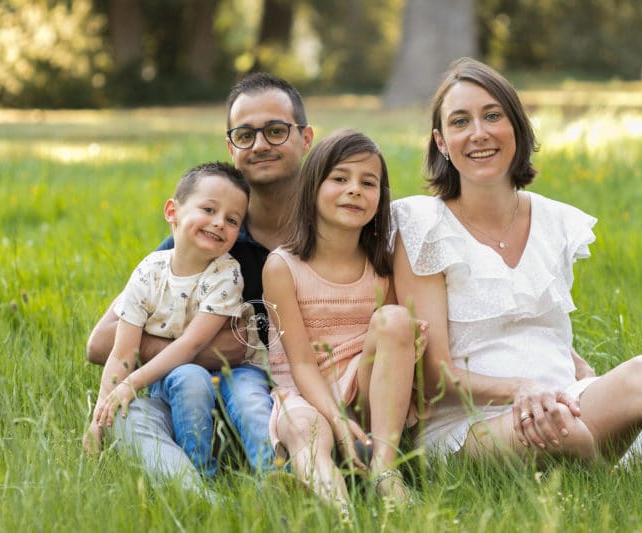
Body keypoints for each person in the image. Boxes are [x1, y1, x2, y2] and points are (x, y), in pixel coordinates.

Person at [391, 57, 642, 475]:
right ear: (441, 141)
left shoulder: (555, 222)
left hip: (563, 401)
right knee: (568, 431)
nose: (479, 133)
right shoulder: (424, 225)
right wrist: (523, 388)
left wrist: (579, 374)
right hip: (468, 428)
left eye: (492, 116)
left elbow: (535, 324)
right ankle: (614, 466)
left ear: (517, 129)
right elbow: (433, 378)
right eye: (460, 122)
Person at [85, 73, 314, 492]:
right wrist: (208, 351)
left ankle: (279, 475)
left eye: (276, 131)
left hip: (292, 397)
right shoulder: (202, 241)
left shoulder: (330, 226)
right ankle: (198, 493)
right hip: (191, 393)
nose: (260, 144)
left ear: (306, 138)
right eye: (245, 134)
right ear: (231, 147)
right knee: (131, 415)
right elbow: (101, 343)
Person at [262, 129, 426, 510]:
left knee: (396, 318)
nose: (355, 189)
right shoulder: (282, 267)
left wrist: (409, 341)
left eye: (368, 183)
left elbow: (391, 345)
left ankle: (384, 469)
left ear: (380, 199)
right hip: (306, 392)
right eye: (340, 178)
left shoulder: (380, 268)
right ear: (312, 188)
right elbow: (300, 363)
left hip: (365, 391)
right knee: (305, 430)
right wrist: (335, 420)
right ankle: (336, 506)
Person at [84, 162, 256, 476]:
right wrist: (100, 416)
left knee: (191, 374)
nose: (219, 223)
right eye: (208, 209)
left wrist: (131, 384)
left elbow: (191, 346)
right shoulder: (148, 272)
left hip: (224, 381)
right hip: (167, 382)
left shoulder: (226, 274)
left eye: (232, 220)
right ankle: (194, 485)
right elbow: (122, 354)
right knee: (174, 385)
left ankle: (203, 472)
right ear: (171, 211)